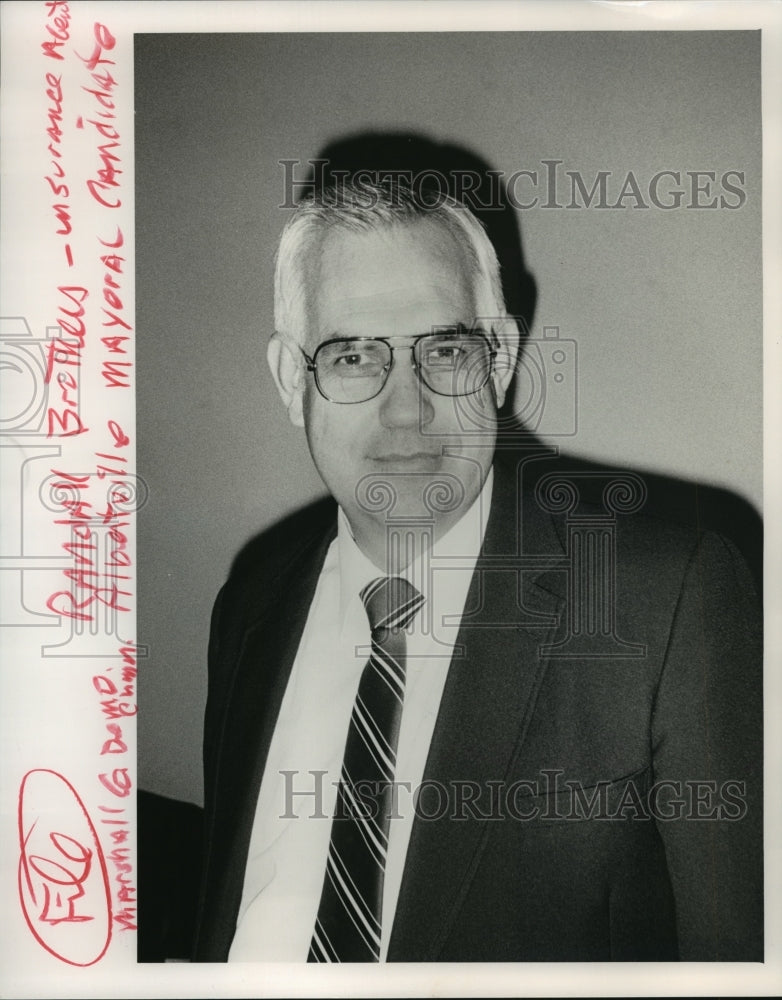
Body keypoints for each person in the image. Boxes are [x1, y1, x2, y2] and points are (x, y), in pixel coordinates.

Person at [192, 179, 762, 962]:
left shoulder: (669, 596)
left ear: (500, 361)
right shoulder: (250, 604)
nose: (406, 409)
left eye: (446, 350)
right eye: (353, 354)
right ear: (295, 380)